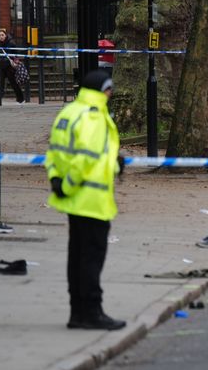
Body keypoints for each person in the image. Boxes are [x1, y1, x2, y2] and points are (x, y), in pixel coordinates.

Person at [45, 70, 126, 331]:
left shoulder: (69, 113)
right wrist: (69, 185)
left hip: (73, 200)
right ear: (103, 90)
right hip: (91, 199)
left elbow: (54, 153)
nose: (111, 94)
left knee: (77, 256)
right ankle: (92, 312)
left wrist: (57, 181)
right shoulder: (94, 116)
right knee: (92, 257)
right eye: (109, 89)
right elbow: (86, 159)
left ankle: (77, 312)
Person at [0, 28, 25, 106]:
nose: (1, 37)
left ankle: (21, 99)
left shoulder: (11, 43)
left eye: (2, 35)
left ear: (5, 35)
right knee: (0, 83)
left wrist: (15, 61)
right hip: (2, 66)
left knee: (14, 83)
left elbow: (16, 54)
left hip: (10, 66)